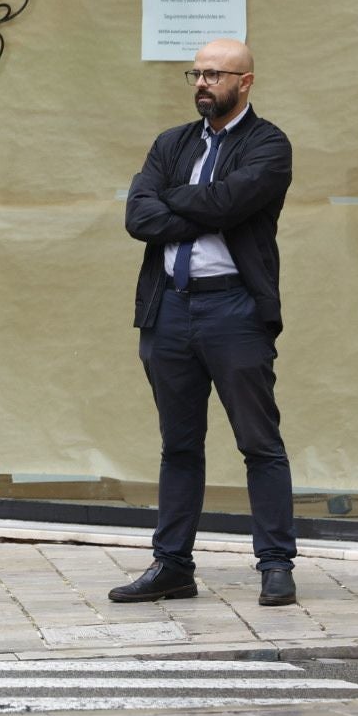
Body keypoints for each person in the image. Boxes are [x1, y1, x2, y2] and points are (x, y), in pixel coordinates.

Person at [117, 38, 296, 608]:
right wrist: (196, 202)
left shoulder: (268, 144)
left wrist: (177, 200)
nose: (202, 82)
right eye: (196, 72)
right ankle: (172, 566)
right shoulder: (171, 143)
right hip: (168, 307)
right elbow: (138, 215)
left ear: (245, 82)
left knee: (258, 442)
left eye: (215, 74)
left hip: (234, 308)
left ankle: (275, 564)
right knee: (179, 445)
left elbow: (229, 205)